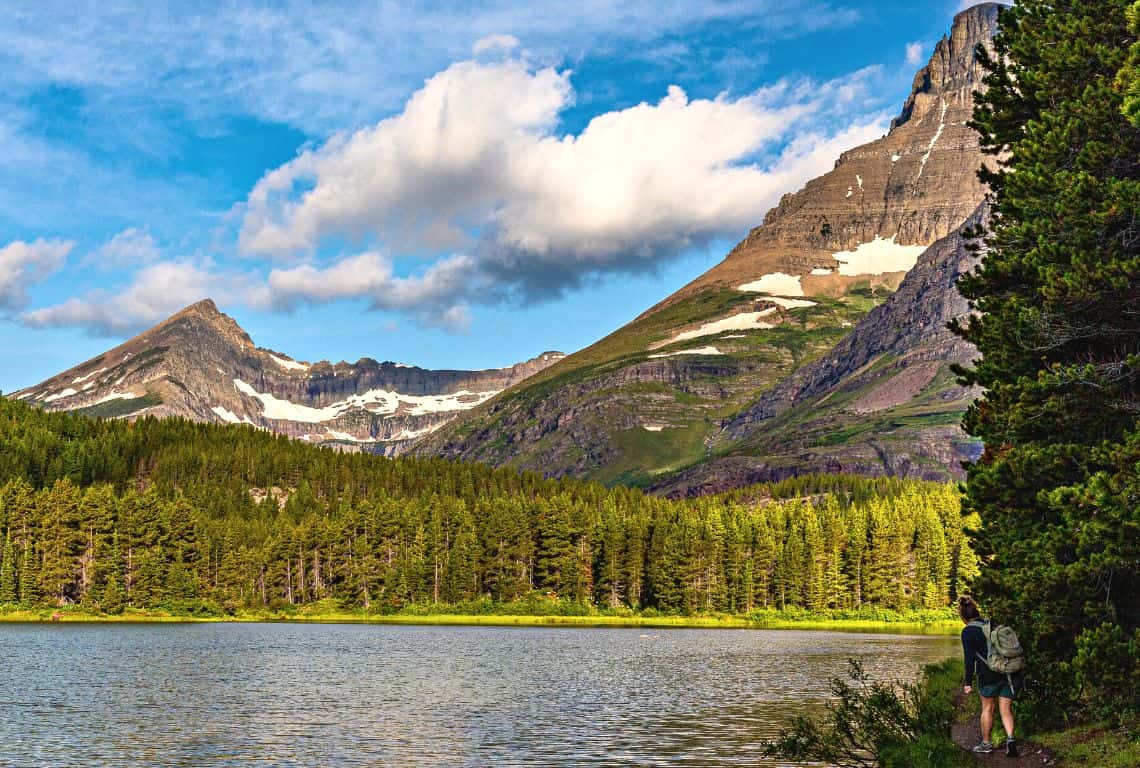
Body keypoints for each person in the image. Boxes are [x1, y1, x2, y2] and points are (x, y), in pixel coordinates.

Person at [959, 595, 1020, 757]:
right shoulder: (992, 623)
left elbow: (969, 658)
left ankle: (986, 743)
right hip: (1009, 671)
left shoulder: (968, 631)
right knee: (1006, 709)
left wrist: (968, 682)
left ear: (963, 617)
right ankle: (1011, 739)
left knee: (987, 708)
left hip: (988, 674)